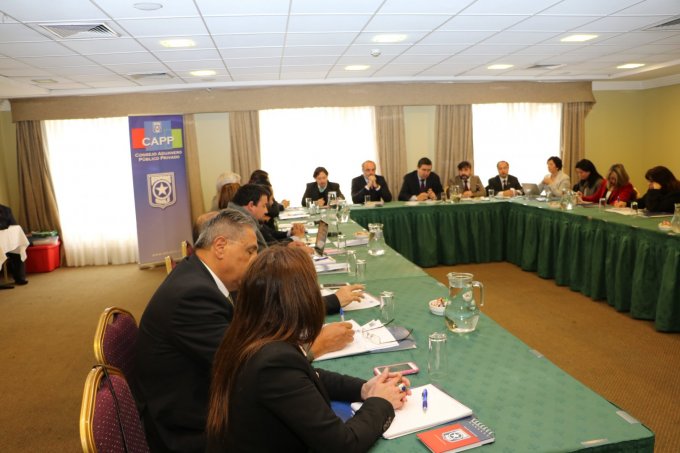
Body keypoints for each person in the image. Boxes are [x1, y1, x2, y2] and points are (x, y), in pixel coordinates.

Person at [133, 210, 360, 453]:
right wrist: (313, 347)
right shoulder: (192, 297)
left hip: (207, 399)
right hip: (194, 429)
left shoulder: (204, 278)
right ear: (220, 246)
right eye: (250, 251)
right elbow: (248, 366)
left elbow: (262, 322)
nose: (255, 260)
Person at [206, 246, 410, 452]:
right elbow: (343, 445)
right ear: (303, 299)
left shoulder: (251, 333)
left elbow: (310, 376)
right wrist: (381, 401)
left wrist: (364, 389)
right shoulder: (274, 363)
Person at [229, 184, 362, 314]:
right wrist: (334, 301)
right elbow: (281, 310)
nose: (266, 211)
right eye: (250, 251)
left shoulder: (240, 218)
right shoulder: (240, 223)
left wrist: (289, 245)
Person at [0, 204, 28, 286]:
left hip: (5, 240)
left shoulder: (6, 209)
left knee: (16, 250)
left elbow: (13, 225)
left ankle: (20, 278)